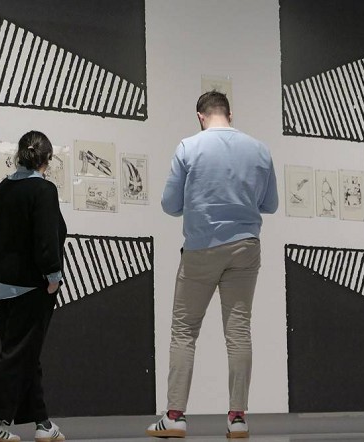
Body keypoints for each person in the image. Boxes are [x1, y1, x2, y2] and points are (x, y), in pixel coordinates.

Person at [147, 91, 278, 439]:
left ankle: (175, 416)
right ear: (230, 115)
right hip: (246, 247)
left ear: (200, 116)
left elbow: (169, 205)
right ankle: (238, 418)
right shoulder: (260, 150)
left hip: (201, 249)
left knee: (185, 330)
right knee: (239, 332)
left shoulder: (189, 147)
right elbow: (271, 204)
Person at [0, 130, 67, 442]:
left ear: (19, 155)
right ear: (47, 159)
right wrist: (53, 278)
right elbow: (47, 240)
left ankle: (42, 424)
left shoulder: (1, 191)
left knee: (25, 354)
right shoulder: (44, 190)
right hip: (32, 286)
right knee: (17, 355)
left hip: (0, 286)